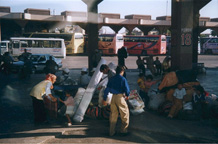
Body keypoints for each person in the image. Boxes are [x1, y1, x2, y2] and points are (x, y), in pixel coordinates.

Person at [103, 66, 130, 136]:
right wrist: (127, 95)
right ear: (122, 71)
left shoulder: (111, 79)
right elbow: (127, 90)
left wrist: (104, 98)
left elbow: (107, 89)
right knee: (124, 114)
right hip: (120, 97)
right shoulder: (123, 79)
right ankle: (123, 131)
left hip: (113, 98)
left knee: (113, 115)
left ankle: (111, 132)